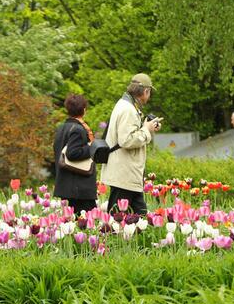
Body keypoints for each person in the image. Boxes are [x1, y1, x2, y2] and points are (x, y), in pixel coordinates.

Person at [101, 73, 162, 215]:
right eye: (149, 93)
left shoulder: (125, 105)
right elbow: (126, 140)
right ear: (146, 91)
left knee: (140, 217)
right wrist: (147, 130)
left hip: (127, 173)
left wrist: (147, 127)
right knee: (117, 219)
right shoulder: (128, 109)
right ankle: (111, 236)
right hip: (124, 173)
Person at [53, 94, 97, 215]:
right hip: (79, 189)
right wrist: (92, 148)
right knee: (88, 223)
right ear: (84, 110)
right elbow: (72, 153)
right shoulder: (78, 129)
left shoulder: (62, 128)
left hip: (66, 186)